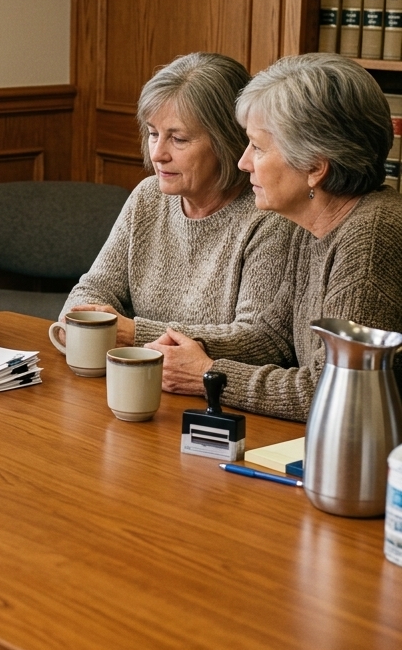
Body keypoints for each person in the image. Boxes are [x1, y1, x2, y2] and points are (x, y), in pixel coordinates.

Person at [148, 52, 402, 421]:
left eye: (259, 147)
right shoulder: (312, 222)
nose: (243, 162)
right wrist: (176, 348)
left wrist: (209, 375)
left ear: (314, 167)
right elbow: (272, 337)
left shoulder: (370, 237)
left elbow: (334, 392)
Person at [56, 52, 295, 348]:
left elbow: (256, 340)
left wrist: (134, 333)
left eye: (178, 139)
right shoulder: (148, 195)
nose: (157, 154)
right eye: (153, 133)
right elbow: (94, 287)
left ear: (228, 142)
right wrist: (80, 318)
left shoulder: (267, 216)